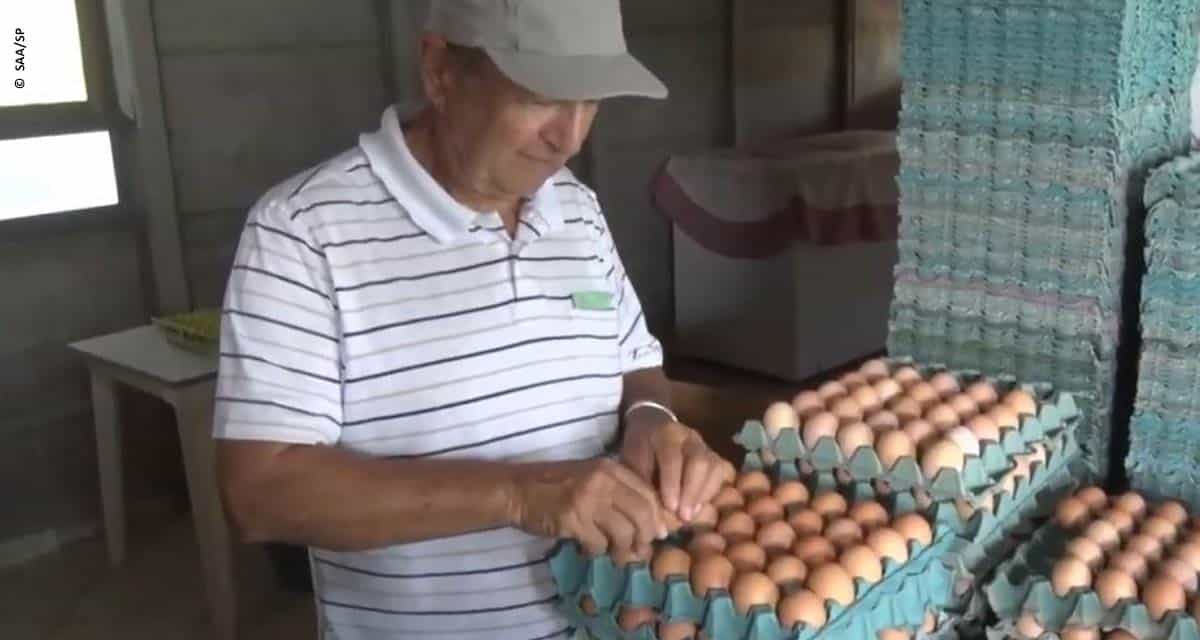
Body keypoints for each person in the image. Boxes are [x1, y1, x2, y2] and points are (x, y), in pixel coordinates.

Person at [213, 1, 733, 638]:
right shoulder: (303, 233)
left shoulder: (576, 208)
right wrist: (520, 495)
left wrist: (653, 420)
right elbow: (259, 493)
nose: (569, 137)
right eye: (542, 96)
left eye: (591, 101)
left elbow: (635, 365)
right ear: (440, 72)